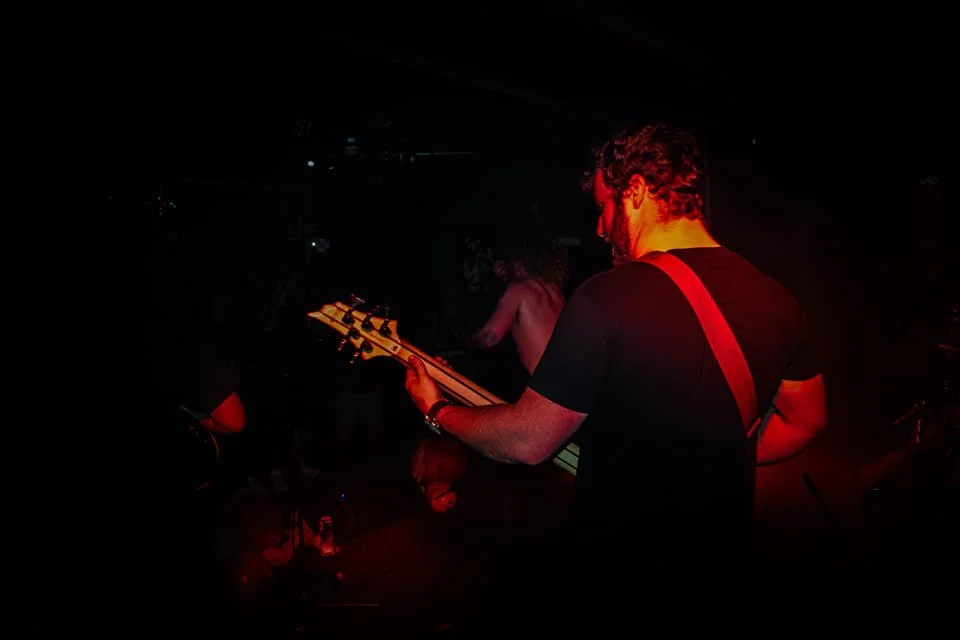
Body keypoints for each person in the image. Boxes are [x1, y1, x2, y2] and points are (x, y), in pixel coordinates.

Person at [401, 123, 827, 621]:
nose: (601, 228)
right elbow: (806, 420)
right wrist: (712, 461)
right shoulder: (776, 298)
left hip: (619, 575)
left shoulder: (607, 297)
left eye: (605, 207)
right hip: (723, 567)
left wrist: (435, 409)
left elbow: (527, 441)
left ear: (638, 192)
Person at [469, 239, 566, 376]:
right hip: (571, 379)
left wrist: (467, 339)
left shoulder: (517, 289)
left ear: (519, 263)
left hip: (549, 385)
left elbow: (489, 338)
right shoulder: (555, 291)